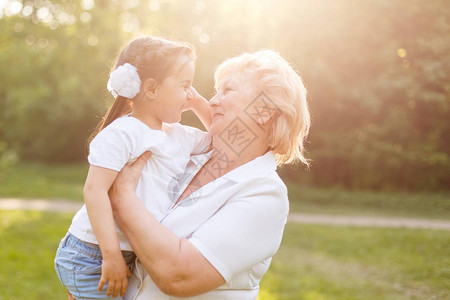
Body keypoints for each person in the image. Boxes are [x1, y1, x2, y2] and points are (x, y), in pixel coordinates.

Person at [107, 49, 311, 299]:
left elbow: (179, 275)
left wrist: (122, 197)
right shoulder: (188, 156)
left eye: (228, 91)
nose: (213, 100)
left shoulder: (265, 194)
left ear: (263, 111)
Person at [54, 36, 213, 299]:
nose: (189, 93)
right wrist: (111, 255)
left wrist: (197, 103)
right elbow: (94, 192)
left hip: (129, 255)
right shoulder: (123, 133)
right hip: (92, 254)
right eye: (185, 85)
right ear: (151, 89)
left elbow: (220, 140)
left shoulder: (180, 136)